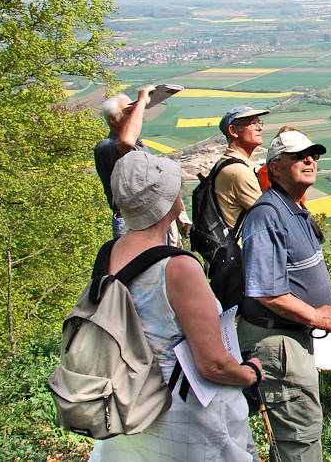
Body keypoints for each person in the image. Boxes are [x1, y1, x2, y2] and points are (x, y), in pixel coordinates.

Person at [90, 152, 262, 461]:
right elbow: (212, 365)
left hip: (130, 405)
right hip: (185, 416)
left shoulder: (108, 254)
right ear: (170, 201)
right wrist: (251, 374)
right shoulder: (177, 267)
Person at [238, 130, 331, 461]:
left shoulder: (293, 208)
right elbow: (267, 291)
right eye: (299, 156)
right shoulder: (267, 214)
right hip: (276, 343)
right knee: (299, 438)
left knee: (296, 434)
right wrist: (316, 316)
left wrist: (320, 306)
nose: (310, 160)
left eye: (312, 155)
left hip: (291, 336)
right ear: (275, 168)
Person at [95, 87, 153, 238]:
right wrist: (141, 102)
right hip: (130, 222)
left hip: (149, 219)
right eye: (128, 112)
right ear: (112, 119)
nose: (134, 115)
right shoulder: (107, 146)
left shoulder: (138, 145)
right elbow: (126, 142)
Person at [214, 105, 270, 229]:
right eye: (252, 123)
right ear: (233, 131)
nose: (259, 128)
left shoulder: (227, 163)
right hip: (240, 246)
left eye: (259, 122)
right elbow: (268, 216)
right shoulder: (238, 171)